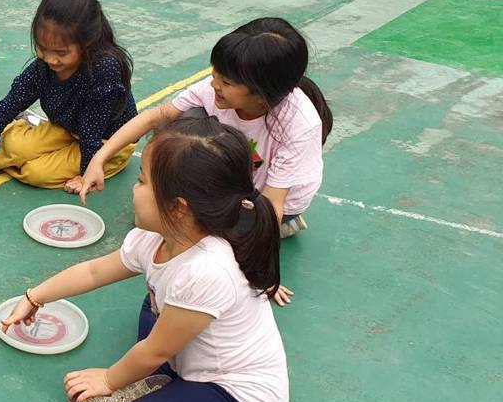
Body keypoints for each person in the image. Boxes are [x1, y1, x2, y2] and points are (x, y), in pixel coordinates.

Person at [3, 117, 338, 402]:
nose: (133, 188)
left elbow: (152, 353)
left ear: (178, 206)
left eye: (142, 181)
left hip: (237, 396)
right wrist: (35, 297)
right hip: (192, 362)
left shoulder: (207, 269)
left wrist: (109, 379)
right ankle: (170, 391)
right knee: (150, 307)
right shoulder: (158, 238)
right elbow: (92, 270)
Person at [78, 17, 333, 303]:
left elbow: (273, 202)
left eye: (225, 81)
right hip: (232, 179)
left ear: (262, 92)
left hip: (267, 199)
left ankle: (280, 227)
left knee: (209, 246)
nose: (214, 83)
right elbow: (156, 117)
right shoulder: (218, 88)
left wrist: (263, 274)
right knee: (179, 126)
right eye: (214, 73)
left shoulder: (298, 123)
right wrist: (99, 159)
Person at [0, 0, 136, 191]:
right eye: (42, 48)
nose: (50, 59)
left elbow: (91, 133)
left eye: (61, 52)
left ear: (87, 43)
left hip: (107, 142)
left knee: (37, 173)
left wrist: (87, 173)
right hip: (68, 128)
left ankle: (24, 126)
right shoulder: (43, 67)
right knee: (15, 148)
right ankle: (10, 128)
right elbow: (7, 106)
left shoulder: (105, 69)